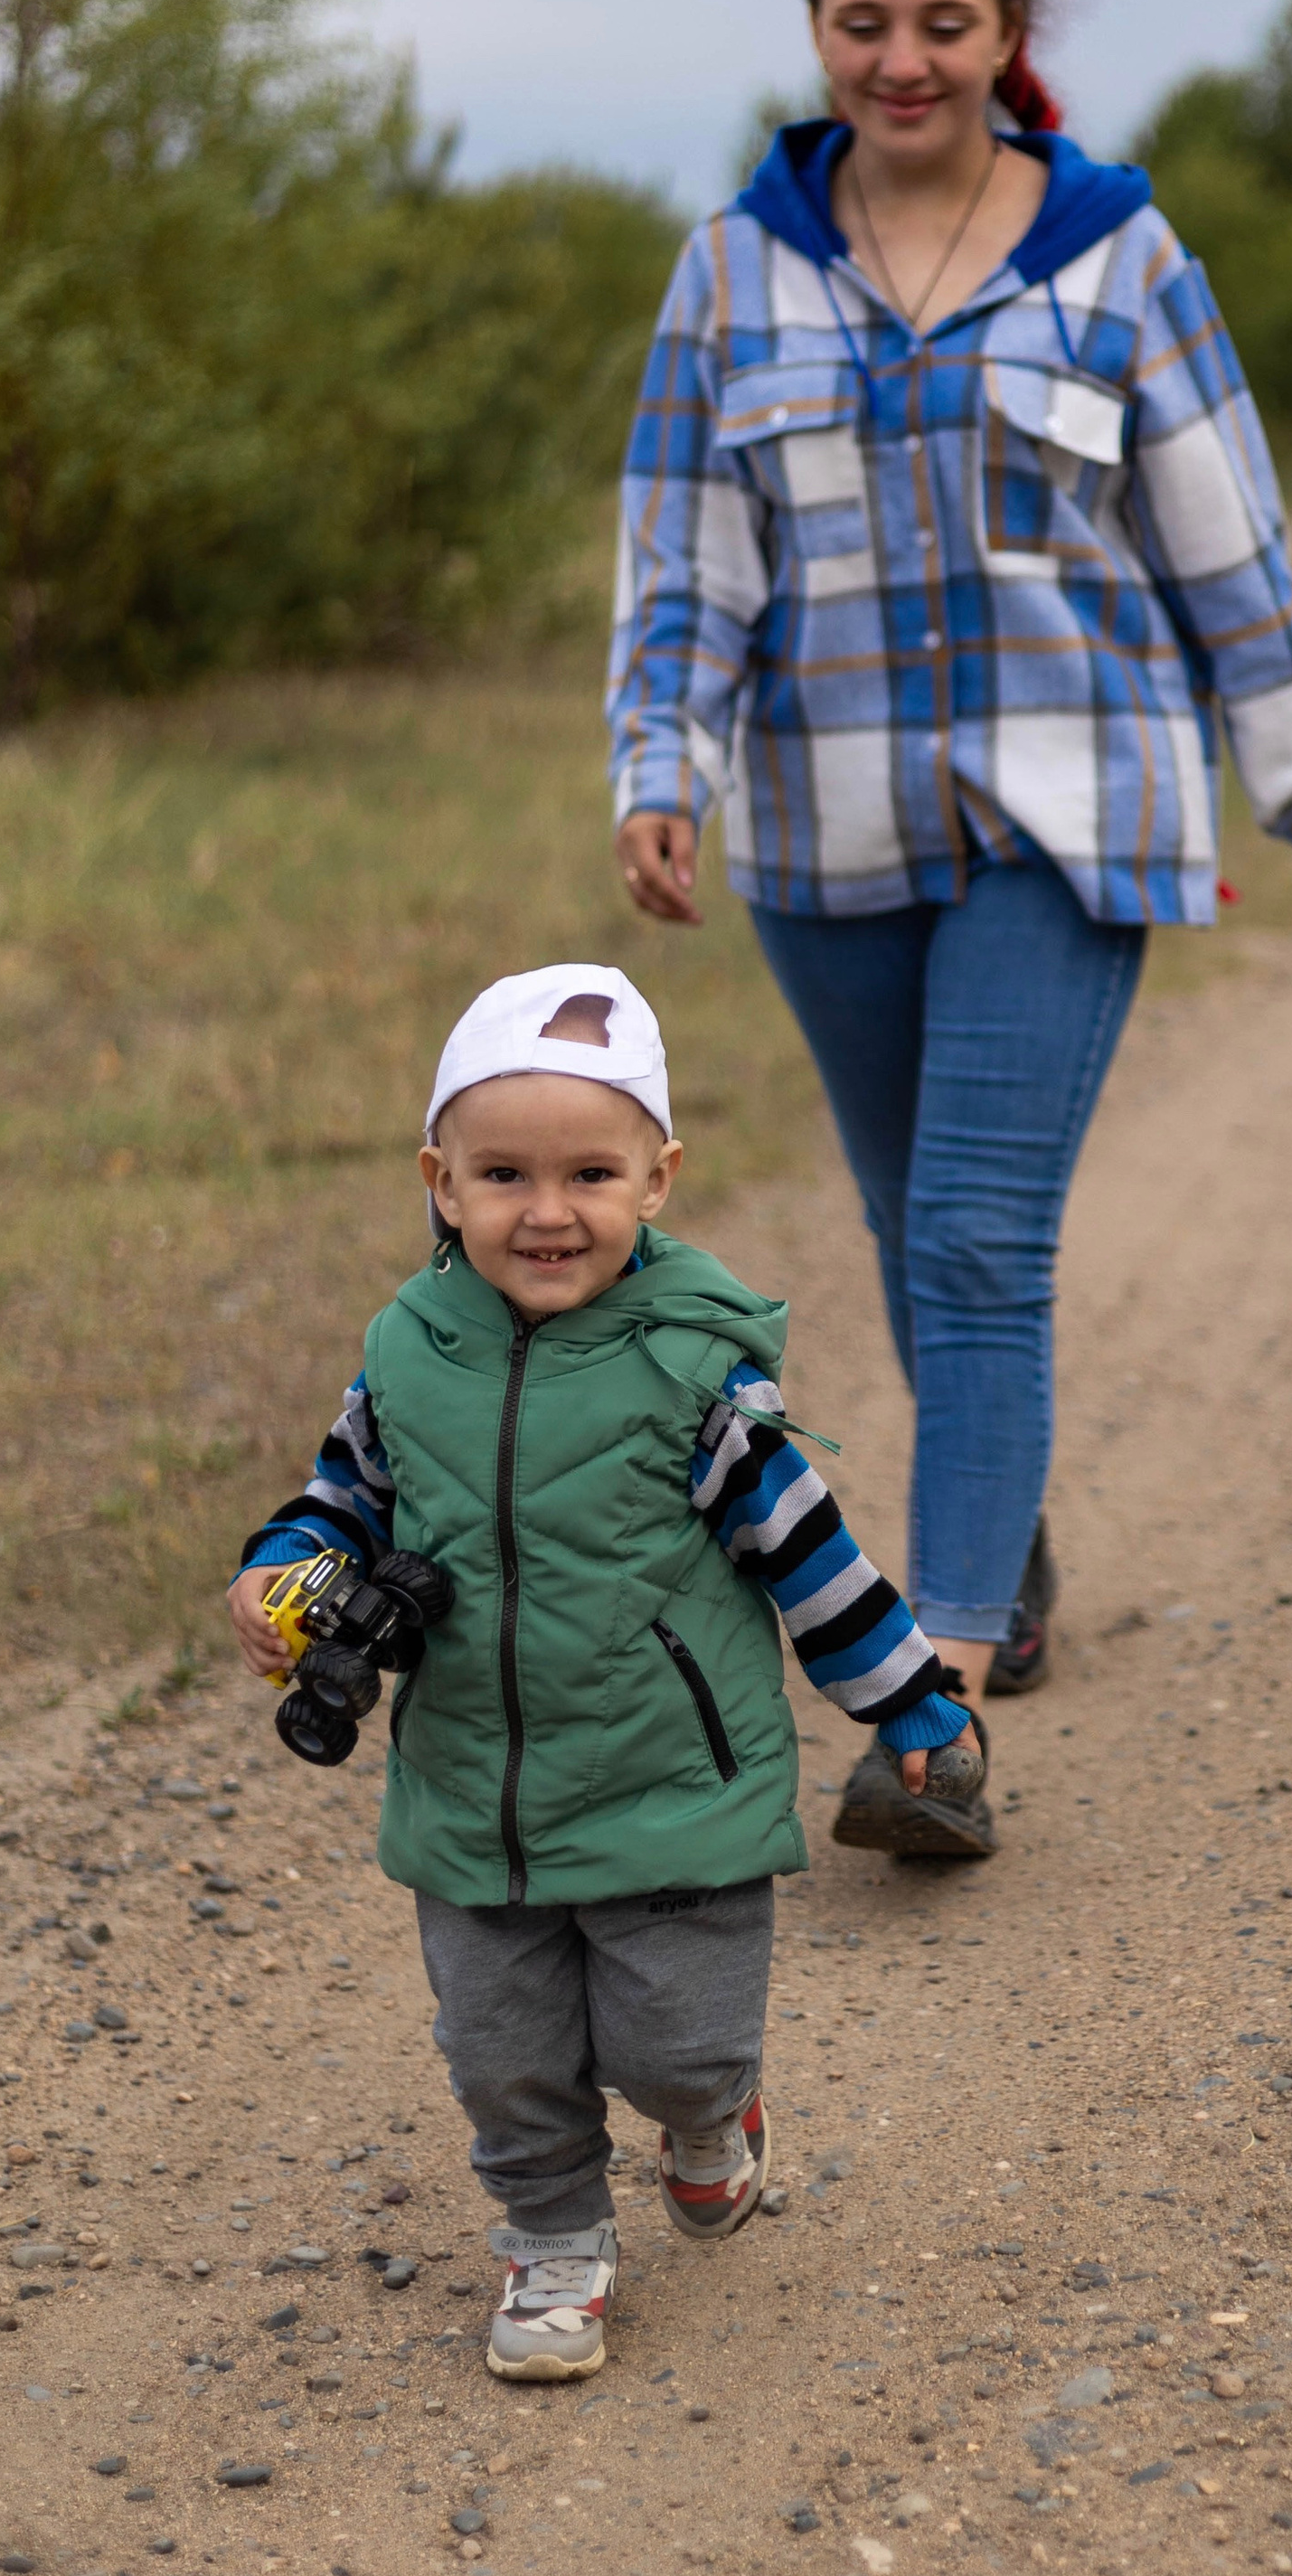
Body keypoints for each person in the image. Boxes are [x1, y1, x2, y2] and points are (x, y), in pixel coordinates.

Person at [608, 0, 1292, 1863]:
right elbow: (686, 563)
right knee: (910, 1234)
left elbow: (1228, 559)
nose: (901, 60)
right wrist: (661, 763)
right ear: (816, 26)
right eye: (861, 22)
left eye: (941, 23)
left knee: (977, 1240)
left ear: (1010, 31)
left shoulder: (1120, 259)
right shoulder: (733, 271)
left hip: (1073, 812)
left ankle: (934, 1699)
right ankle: (1009, 1545)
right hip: (823, 824)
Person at [222, 962, 976, 2382]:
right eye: (503, 1172)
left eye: (590, 1172)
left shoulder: (696, 1381)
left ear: (659, 1178)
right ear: (440, 1181)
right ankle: (555, 2241)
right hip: (475, 1798)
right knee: (503, 2056)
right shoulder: (405, 1356)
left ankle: (714, 2113)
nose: (547, 1210)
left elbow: (810, 1557)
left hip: (667, 1787)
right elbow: (350, 1501)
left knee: (676, 2044)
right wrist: (288, 1579)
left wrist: (912, 1702)